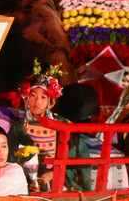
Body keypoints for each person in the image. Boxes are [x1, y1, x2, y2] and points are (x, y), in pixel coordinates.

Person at [5, 60, 91, 192]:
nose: (37, 101)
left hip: (60, 182)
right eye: (33, 96)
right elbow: (10, 159)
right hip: (27, 184)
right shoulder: (19, 128)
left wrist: (54, 174)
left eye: (43, 97)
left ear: (51, 103)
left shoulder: (63, 126)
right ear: (26, 99)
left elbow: (77, 161)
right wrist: (27, 179)